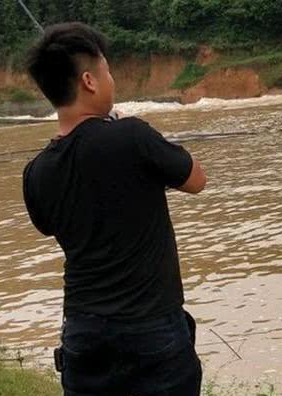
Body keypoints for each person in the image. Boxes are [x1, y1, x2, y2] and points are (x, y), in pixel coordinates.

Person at [22, 22, 206, 396]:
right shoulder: (132, 136)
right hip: (152, 328)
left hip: (83, 332)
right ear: (89, 81)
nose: (112, 80)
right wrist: (124, 134)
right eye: (108, 71)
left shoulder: (36, 172)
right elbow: (196, 179)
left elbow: (49, 224)